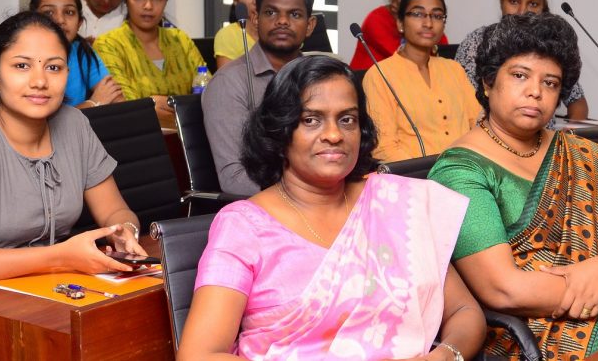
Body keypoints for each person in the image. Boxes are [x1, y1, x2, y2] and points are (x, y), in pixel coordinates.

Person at [179, 55, 485, 360]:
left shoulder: (396, 203)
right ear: (280, 131)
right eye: (311, 120)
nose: (334, 135)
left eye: (347, 119)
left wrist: (444, 356)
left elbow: (464, 310)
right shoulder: (244, 227)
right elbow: (199, 355)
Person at [429, 13, 598, 360]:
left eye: (550, 83)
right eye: (520, 75)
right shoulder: (461, 170)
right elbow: (503, 290)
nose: (535, 92)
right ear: (488, 82)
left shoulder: (584, 153)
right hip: (528, 338)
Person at [0, 11, 147, 285]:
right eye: (22, 66)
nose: (40, 81)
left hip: (55, 285)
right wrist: (59, 257)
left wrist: (125, 231)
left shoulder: (74, 124)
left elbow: (115, 212)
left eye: (53, 68)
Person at [203, 0, 316, 196]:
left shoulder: (318, 79)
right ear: (255, 18)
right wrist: (308, 195)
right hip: (272, 205)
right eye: (271, 12)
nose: (282, 21)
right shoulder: (230, 82)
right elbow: (234, 179)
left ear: (310, 25)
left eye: (294, 14)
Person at [363, 0, 481, 163]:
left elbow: (480, 126)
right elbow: (384, 148)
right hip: (411, 176)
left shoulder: (454, 70)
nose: (428, 23)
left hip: (465, 170)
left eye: (437, 16)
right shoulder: (380, 75)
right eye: (418, 14)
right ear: (400, 23)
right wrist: (426, 175)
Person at [455, 0, 589, 120]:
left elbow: (578, 104)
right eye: (514, 1)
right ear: (501, 0)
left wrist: (567, 133)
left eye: (533, 4)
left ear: (543, 6)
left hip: (544, 133)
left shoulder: (549, 45)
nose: (522, 12)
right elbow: (462, 106)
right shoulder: (477, 42)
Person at [94, 0, 205, 121]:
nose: (148, 6)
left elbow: (208, 92)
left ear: (166, 0)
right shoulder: (109, 44)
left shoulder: (180, 39)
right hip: (138, 133)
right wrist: (181, 106)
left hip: (189, 131)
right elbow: (124, 106)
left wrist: (154, 103)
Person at [29, 0, 124, 108]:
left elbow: (115, 98)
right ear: (32, 20)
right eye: (49, 12)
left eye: (69, 12)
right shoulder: (23, 59)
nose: (60, 20)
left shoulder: (81, 50)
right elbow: (44, 118)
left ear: (79, 23)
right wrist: (93, 102)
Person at [349, 0, 448, 70]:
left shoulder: (429, 23)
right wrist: (403, 15)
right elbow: (409, 58)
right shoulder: (376, 19)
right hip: (370, 78)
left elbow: (444, 53)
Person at [212, 0, 268, 69]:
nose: (256, 0)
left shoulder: (281, 30)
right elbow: (228, 78)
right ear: (236, 0)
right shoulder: (228, 35)